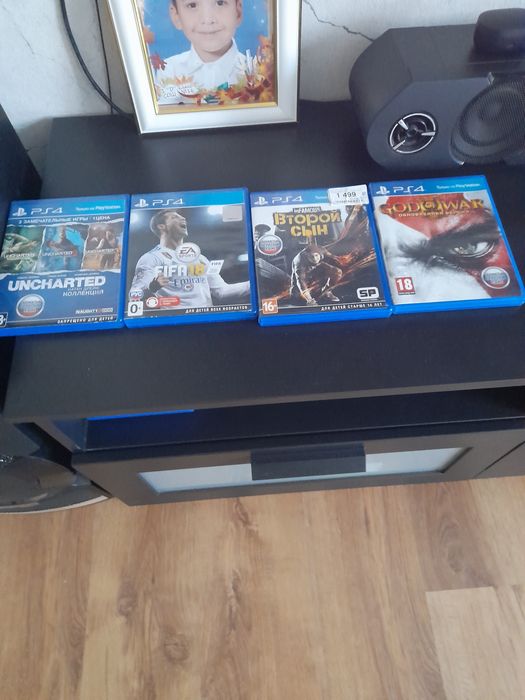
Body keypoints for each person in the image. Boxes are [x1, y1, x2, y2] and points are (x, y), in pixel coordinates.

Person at [130, 208, 250, 308]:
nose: (183, 218)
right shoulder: (151, 258)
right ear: (162, 226)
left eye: (181, 216)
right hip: (175, 321)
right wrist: (153, 286)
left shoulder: (200, 258)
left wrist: (253, 284)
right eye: (174, 217)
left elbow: (222, 291)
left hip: (206, 319)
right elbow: (135, 295)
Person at [156, 0, 250, 103]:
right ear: (176, 16)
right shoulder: (169, 70)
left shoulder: (256, 74)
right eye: (192, 5)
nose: (208, 20)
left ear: (238, 12)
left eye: (220, 3)